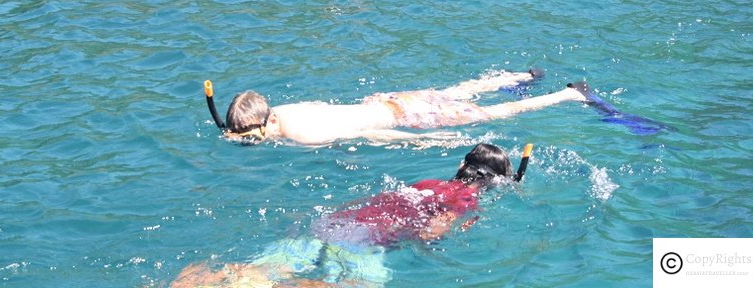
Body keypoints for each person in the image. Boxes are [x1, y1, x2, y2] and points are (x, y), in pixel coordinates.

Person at [171, 143, 526, 288]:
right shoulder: (466, 199)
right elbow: (431, 232)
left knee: (258, 271)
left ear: (462, 165)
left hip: (337, 222)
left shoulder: (430, 182)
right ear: (493, 182)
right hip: (365, 243)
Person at [205, 68, 591, 145]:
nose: (252, 142)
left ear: (266, 122)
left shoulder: (303, 135)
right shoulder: (286, 110)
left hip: (404, 116)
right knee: (456, 91)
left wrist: (420, 143)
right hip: (387, 100)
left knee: (493, 114)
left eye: (253, 137)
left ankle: (569, 94)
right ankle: (520, 76)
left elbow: (369, 134)